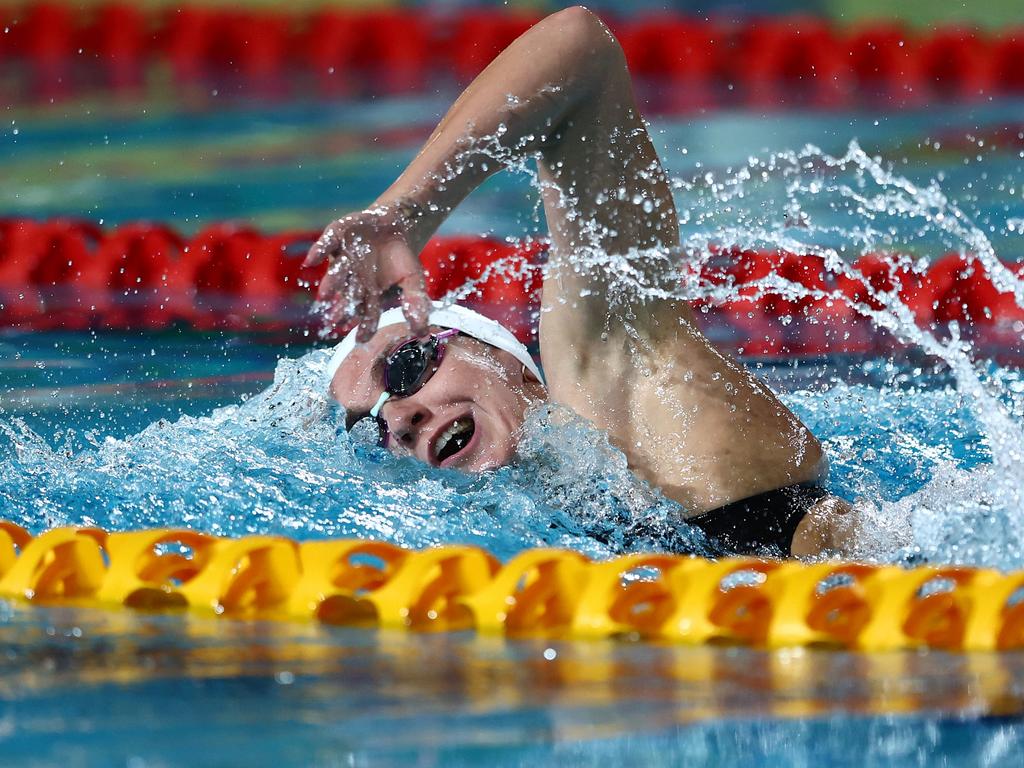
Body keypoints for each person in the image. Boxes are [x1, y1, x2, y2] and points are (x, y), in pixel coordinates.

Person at [305, 7, 855, 558]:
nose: (399, 420)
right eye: (369, 431)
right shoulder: (522, 544)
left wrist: (407, 213)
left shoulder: (616, 384)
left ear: (507, 361)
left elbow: (581, 50)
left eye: (405, 369)